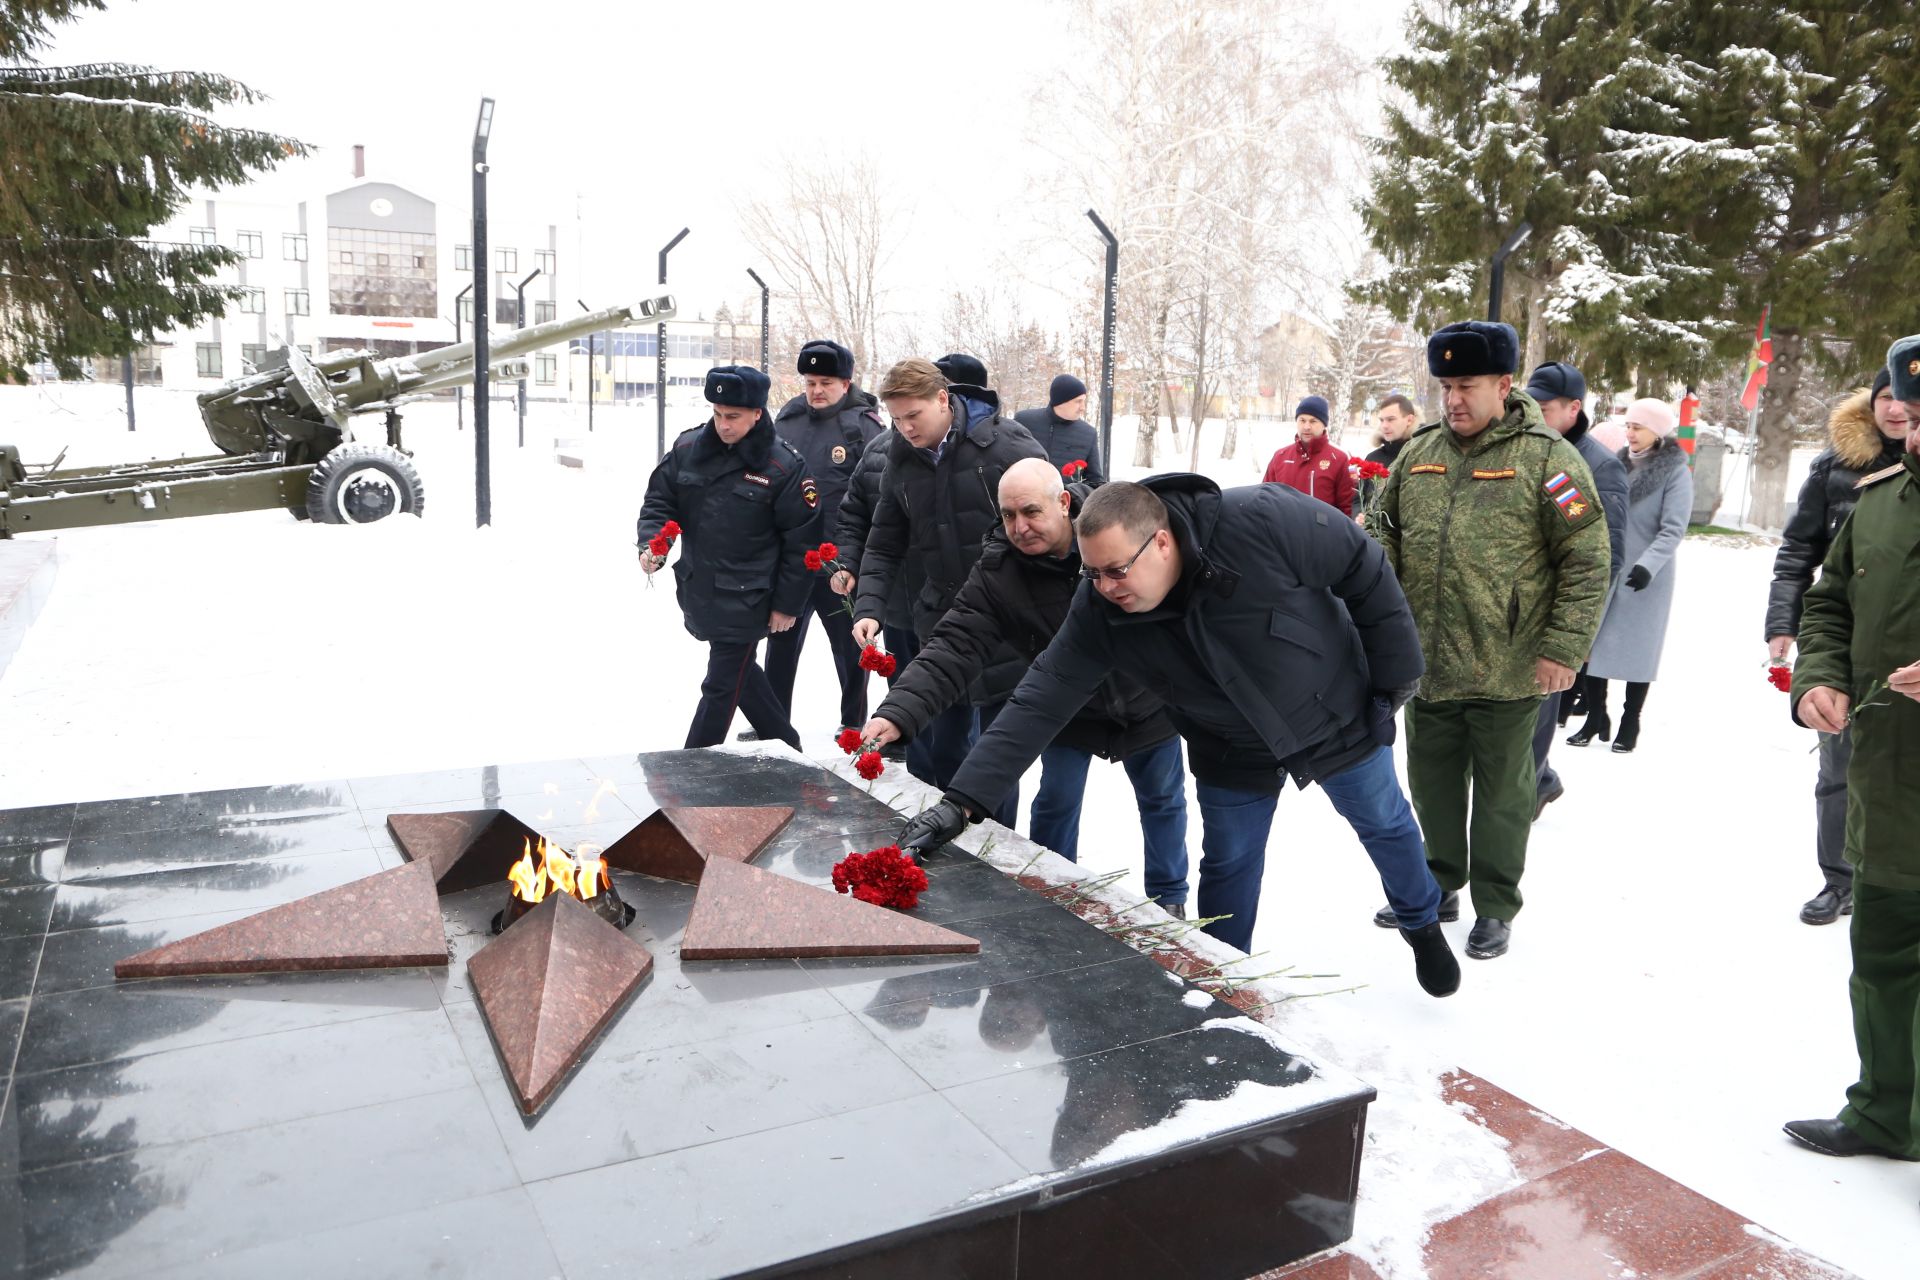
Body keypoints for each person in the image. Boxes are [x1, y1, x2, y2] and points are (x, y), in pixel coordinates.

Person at [892, 477, 1462, 999]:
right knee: (1229, 862)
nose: (1104, 587)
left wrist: (1393, 678)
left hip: (1330, 708)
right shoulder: (1099, 605)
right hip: (1227, 737)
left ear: (1161, 543)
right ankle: (1220, 983)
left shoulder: (1262, 520)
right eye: (1092, 573)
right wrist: (961, 803)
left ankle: (1422, 923)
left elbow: (1361, 566)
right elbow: (1041, 695)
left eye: (1116, 570)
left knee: (1385, 824)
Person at [1365, 320, 1610, 960]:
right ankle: (1439, 884)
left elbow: (1587, 560)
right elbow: (1380, 530)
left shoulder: (1549, 459)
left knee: (1504, 797)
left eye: (1467, 385)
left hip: (1511, 667)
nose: (1453, 399)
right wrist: (1380, 607)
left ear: (1504, 385)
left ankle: (1496, 906)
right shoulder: (1417, 453)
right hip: (1427, 661)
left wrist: (1564, 647)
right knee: (1433, 784)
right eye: (1445, 386)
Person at [859, 458, 1188, 909]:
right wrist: (898, 712)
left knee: (1163, 801)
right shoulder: (998, 573)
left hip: (1149, 703)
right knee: (1055, 800)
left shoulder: (1116, 539)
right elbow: (954, 645)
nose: (1020, 527)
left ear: (1064, 503)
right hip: (1065, 710)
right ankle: (1055, 889)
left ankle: (1170, 898)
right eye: (1009, 515)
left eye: (1031, 512)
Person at [1781, 333, 1920, 1167]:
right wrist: (1816, 679)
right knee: (1882, 960)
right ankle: (1885, 1113)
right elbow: (1828, 603)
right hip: (1888, 781)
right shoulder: (1878, 500)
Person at [850, 358, 1045, 816]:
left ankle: (997, 856)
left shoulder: (1007, 444)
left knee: (996, 760)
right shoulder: (902, 453)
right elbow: (883, 539)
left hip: (1008, 622)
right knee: (945, 751)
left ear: (942, 399)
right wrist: (869, 608)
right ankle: (950, 847)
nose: (905, 428)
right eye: (896, 419)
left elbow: (1054, 524)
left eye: (913, 416)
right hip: (944, 621)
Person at [1765, 368, 1912, 924]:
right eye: (1886, 398)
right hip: (1846, 642)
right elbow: (1801, 550)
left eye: (1908, 401)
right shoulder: (1835, 467)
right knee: (1839, 765)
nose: (1896, 410)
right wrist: (1783, 622)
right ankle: (1840, 877)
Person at [637, 366, 819, 751]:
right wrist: (653, 543)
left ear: (757, 413)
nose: (723, 425)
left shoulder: (783, 466)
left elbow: (802, 542)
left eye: (733, 416)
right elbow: (660, 500)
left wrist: (788, 605)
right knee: (741, 675)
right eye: (718, 414)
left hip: (751, 596)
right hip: (700, 588)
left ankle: (691, 769)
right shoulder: (688, 449)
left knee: (720, 685)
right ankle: (788, 744)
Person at [763, 339, 885, 736]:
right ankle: (774, 722)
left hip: (840, 564)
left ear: (845, 384)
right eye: (811, 382)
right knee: (780, 648)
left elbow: (876, 496)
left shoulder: (862, 427)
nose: (816, 390)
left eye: (826, 383)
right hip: (793, 561)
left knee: (851, 650)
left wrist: (859, 558)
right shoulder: (787, 420)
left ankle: (854, 721)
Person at [1524, 360, 1629, 817]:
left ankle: (1528, 790)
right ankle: (1540, 778)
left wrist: (1582, 632)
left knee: (1539, 710)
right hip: (1514, 607)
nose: (1533, 415)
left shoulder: (1598, 466)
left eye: (1544, 408)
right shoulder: (1525, 450)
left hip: (1558, 613)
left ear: (1573, 409)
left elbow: (1608, 555)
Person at [1567, 398, 1693, 755]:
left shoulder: (1674, 472)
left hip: (1646, 575)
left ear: (1658, 431)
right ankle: (1595, 717)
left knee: (1638, 650)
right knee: (1593, 647)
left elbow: (1672, 529)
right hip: (1609, 567)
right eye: (1629, 426)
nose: (1630, 433)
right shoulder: (1616, 464)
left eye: (1638, 427)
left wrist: (1647, 566)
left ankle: (1630, 721)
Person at [832, 420, 925, 775]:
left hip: (954, 607)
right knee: (906, 691)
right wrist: (848, 564)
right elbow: (854, 516)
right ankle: (918, 771)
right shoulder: (877, 452)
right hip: (899, 601)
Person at [1263, 395, 1355, 516]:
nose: (1306, 427)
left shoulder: (1341, 458)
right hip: (1284, 532)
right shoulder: (1280, 456)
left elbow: (1348, 507)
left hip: (1323, 533)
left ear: (1324, 424)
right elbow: (1264, 499)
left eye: (1313, 421)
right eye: (1302, 420)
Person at [1014, 374, 1106, 484]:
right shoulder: (1024, 421)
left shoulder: (1088, 433)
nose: (1083, 407)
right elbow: (1005, 463)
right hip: (1023, 498)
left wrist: (1073, 494)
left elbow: (1096, 482)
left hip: (1065, 500)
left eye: (1083, 401)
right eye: (1078, 401)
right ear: (1061, 401)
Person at [1358, 394, 1419, 514]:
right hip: (1374, 531)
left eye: (1391, 419)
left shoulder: (1423, 455)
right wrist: (1360, 515)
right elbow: (1359, 498)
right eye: (1381, 420)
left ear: (1409, 420)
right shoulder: (1373, 458)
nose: (1384, 426)